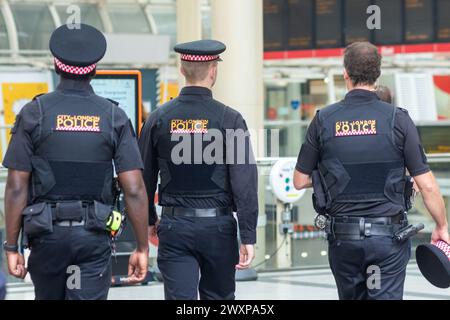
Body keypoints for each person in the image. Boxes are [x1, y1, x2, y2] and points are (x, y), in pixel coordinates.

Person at [2, 23, 149, 300]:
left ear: (56, 66)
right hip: (93, 236)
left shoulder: (34, 114)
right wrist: (142, 247)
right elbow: (134, 188)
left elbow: (16, 187)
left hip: (47, 237)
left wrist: (12, 248)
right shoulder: (113, 116)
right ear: (93, 69)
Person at [293, 42, 449, 300]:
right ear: (377, 74)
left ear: (345, 73)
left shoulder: (323, 119)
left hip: (344, 240)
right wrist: (441, 225)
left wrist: (334, 175)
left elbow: (299, 181)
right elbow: (428, 185)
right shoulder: (398, 119)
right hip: (387, 241)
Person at [139, 39, 258, 300]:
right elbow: (244, 181)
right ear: (214, 71)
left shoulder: (158, 118)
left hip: (174, 226)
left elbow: (143, 179)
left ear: (182, 70)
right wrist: (248, 234)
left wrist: (148, 220)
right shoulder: (231, 119)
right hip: (219, 228)